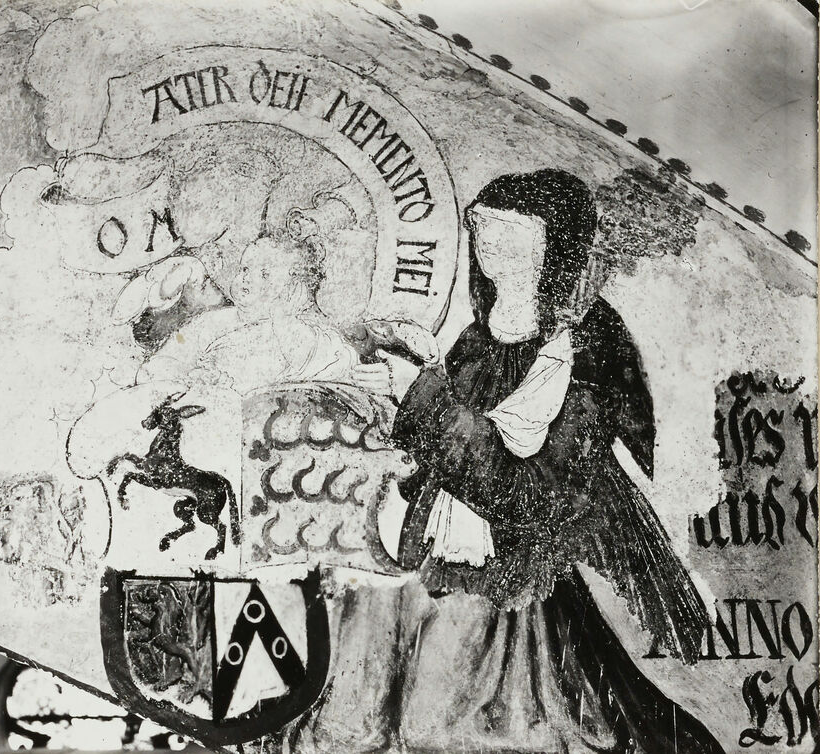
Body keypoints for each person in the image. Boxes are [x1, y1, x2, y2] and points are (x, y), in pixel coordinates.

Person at [282, 169, 722, 754]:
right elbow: (444, 447)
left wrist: (421, 394)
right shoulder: (475, 339)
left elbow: (524, 490)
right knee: (357, 672)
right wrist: (399, 400)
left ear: (552, 248)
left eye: (512, 236)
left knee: (443, 726)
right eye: (485, 230)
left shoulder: (577, 352)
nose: (491, 246)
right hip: (439, 547)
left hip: (511, 572)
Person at [136, 234, 391, 396]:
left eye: (265, 274)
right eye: (245, 268)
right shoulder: (212, 322)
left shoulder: (303, 333)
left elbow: (333, 363)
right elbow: (170, 357)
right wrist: (181, 380)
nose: (247, 277)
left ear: (296, 291)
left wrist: (284, 320)